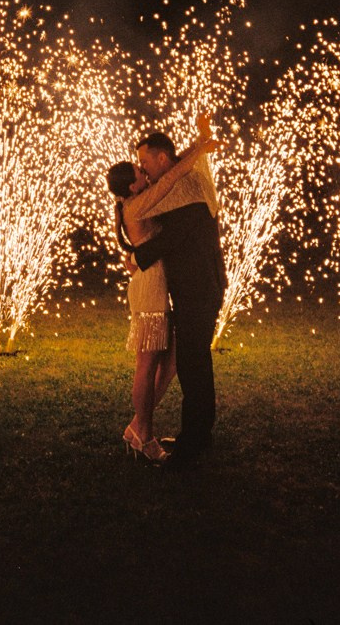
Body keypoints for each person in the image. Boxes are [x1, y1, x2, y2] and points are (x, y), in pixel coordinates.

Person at [106, 121, 220, 464]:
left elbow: (171, 231)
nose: (144, 170)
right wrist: (199, 146)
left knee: (183, 362)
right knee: (163, 362)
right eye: (139, 168)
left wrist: (198, 145)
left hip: (194, 288)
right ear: (131, 185)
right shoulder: (151, 198)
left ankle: (182, 435)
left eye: (145, 162)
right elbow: (171, 175)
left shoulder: (182, 192)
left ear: (160, 158)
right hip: (161, 289)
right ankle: (150, 429)